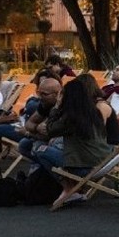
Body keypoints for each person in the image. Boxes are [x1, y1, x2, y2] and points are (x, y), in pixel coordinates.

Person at [45, 78, 114, 206]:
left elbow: (50, 129)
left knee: (38, 149)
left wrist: (56, 106)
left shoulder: (73, 116)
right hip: (104, 161)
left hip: (86, 168)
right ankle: (72, 188)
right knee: (53, 145)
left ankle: (69, 189)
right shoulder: (91, 111)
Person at [17, 77, 63, 175]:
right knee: (24, 145)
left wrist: (29, 133)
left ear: (57, 94)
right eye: (39, 93)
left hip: (63, 144)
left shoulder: (65, 107)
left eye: (44, 94)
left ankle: (60, 181)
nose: (40, 97)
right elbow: (29, 123)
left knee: (39, 148)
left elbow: (49, 134)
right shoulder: (45, 104)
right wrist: (36, 128)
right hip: (47, 139)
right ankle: (44, 171)